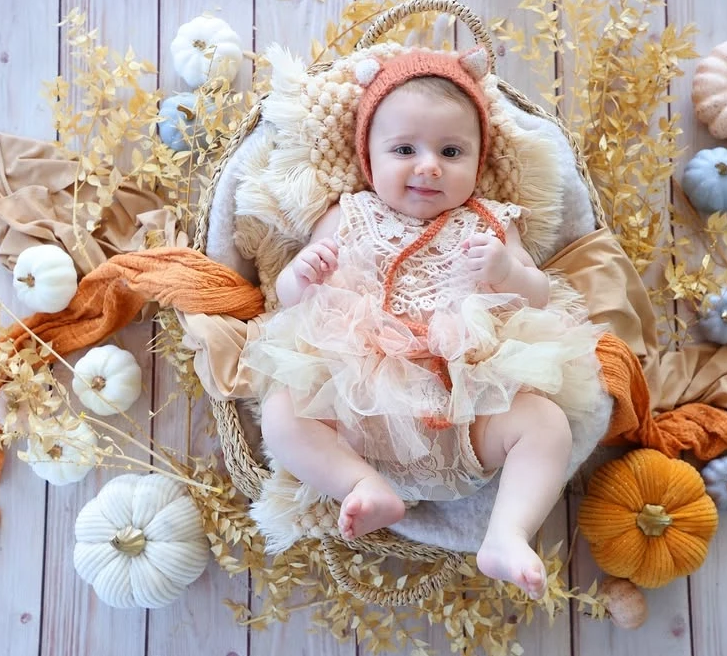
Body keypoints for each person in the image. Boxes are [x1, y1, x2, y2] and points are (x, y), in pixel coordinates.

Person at [244, 47, 600, 599]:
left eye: (451, 150)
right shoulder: (347, 214)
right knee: (281, 415)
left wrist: (507, 270)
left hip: (465, 411)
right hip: (358, 413)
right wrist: (301, 273)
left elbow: (540, 294)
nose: (428, 165)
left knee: (547, 424)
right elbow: (289, 301)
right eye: (405, 148)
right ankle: (360, 484)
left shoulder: (490, 224)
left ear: (479, 165)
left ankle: (506, 533)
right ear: (370, 159)